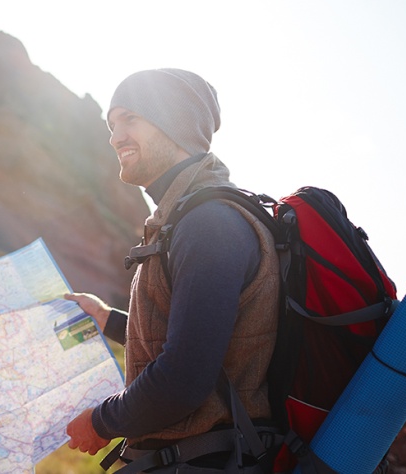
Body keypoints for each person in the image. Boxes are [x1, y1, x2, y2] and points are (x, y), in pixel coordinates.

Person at [64, 69, 281, 472]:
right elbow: (197, 337)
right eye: (112, 124)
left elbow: (185, 377)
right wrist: (108, 319)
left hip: (205, 461)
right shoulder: (190, 218)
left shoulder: (208, 224)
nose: (115, 137)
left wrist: (101, 421)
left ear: (174, 123)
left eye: (130, 118)